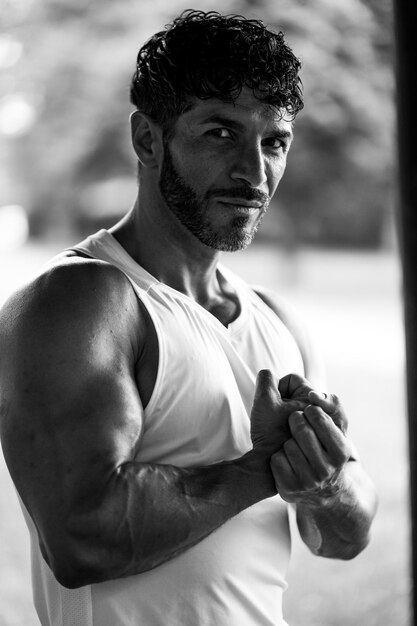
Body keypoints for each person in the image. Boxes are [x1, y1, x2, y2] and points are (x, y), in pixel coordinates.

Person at [0, 10, 377, 626]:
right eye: (221, 134)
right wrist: (263, 468)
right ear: (148, 139)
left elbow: (345, 536)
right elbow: (82, 538)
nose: (254, 173)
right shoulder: (79, 302)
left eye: (274, 142)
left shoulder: (276, 321)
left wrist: (325, 481)